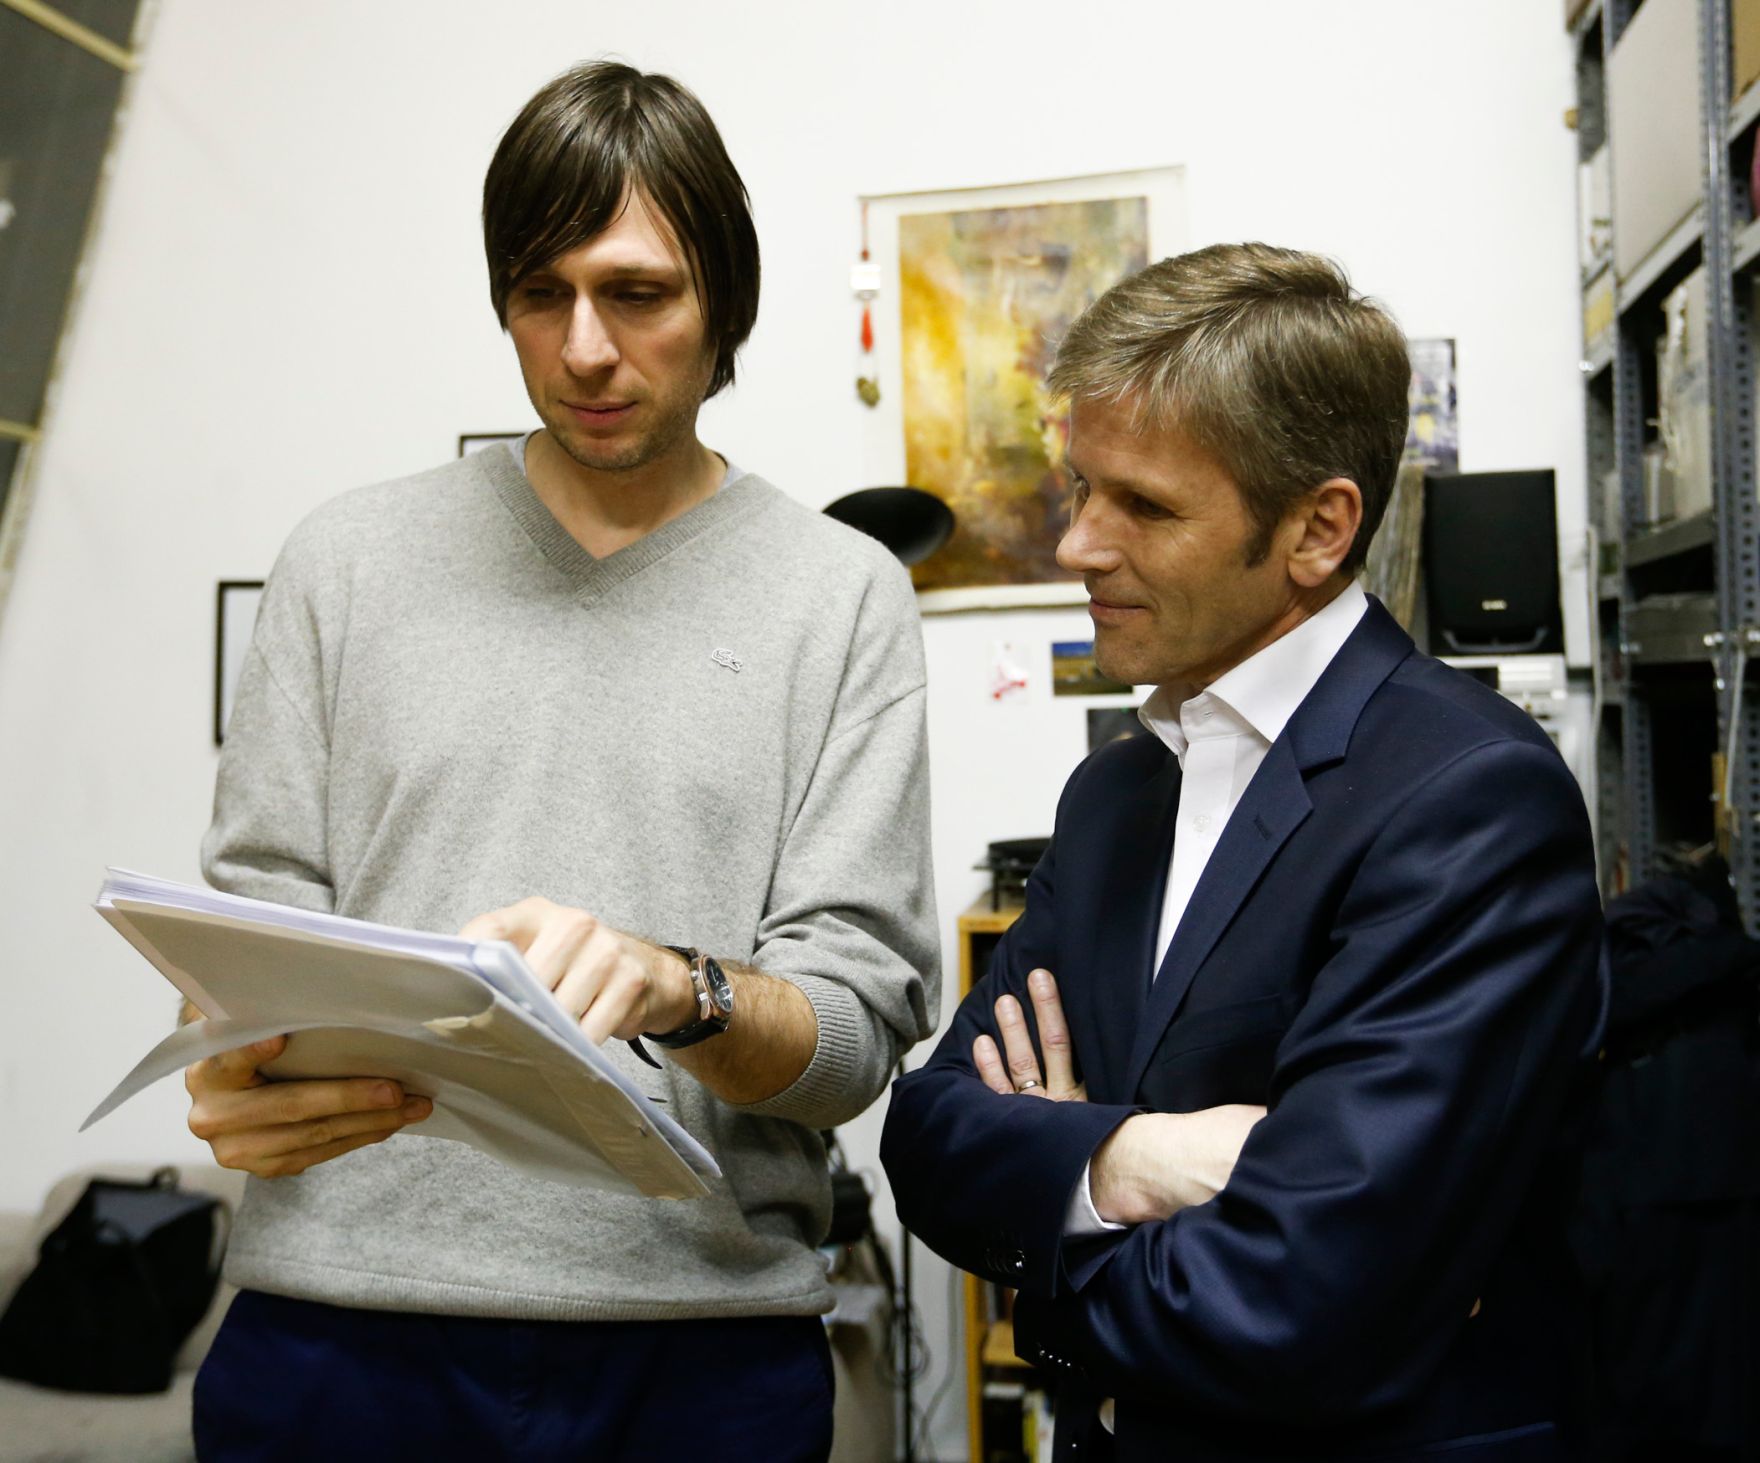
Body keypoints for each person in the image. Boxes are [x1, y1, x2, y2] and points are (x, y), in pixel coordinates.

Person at [182, 61, 937, 1462]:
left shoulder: (840, 597)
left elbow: (853, 1042)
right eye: (542, 295)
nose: (585, 347)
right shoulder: (344, 562)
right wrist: (242, 1066)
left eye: (637, 293)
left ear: (724, 303)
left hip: (697, 1357)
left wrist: (678, 983)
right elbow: (248, 948)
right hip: (335, 1333)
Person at [882, 243, 1605, 1463]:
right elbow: (928, 1136)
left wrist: (1050, 1225)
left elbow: (1299, 1299)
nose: (1076, 545)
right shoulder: (1117, 791)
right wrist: (1132, 1156)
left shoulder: (1469, 801)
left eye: (1144, 506)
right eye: (1078, 487)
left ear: (1317, 528)